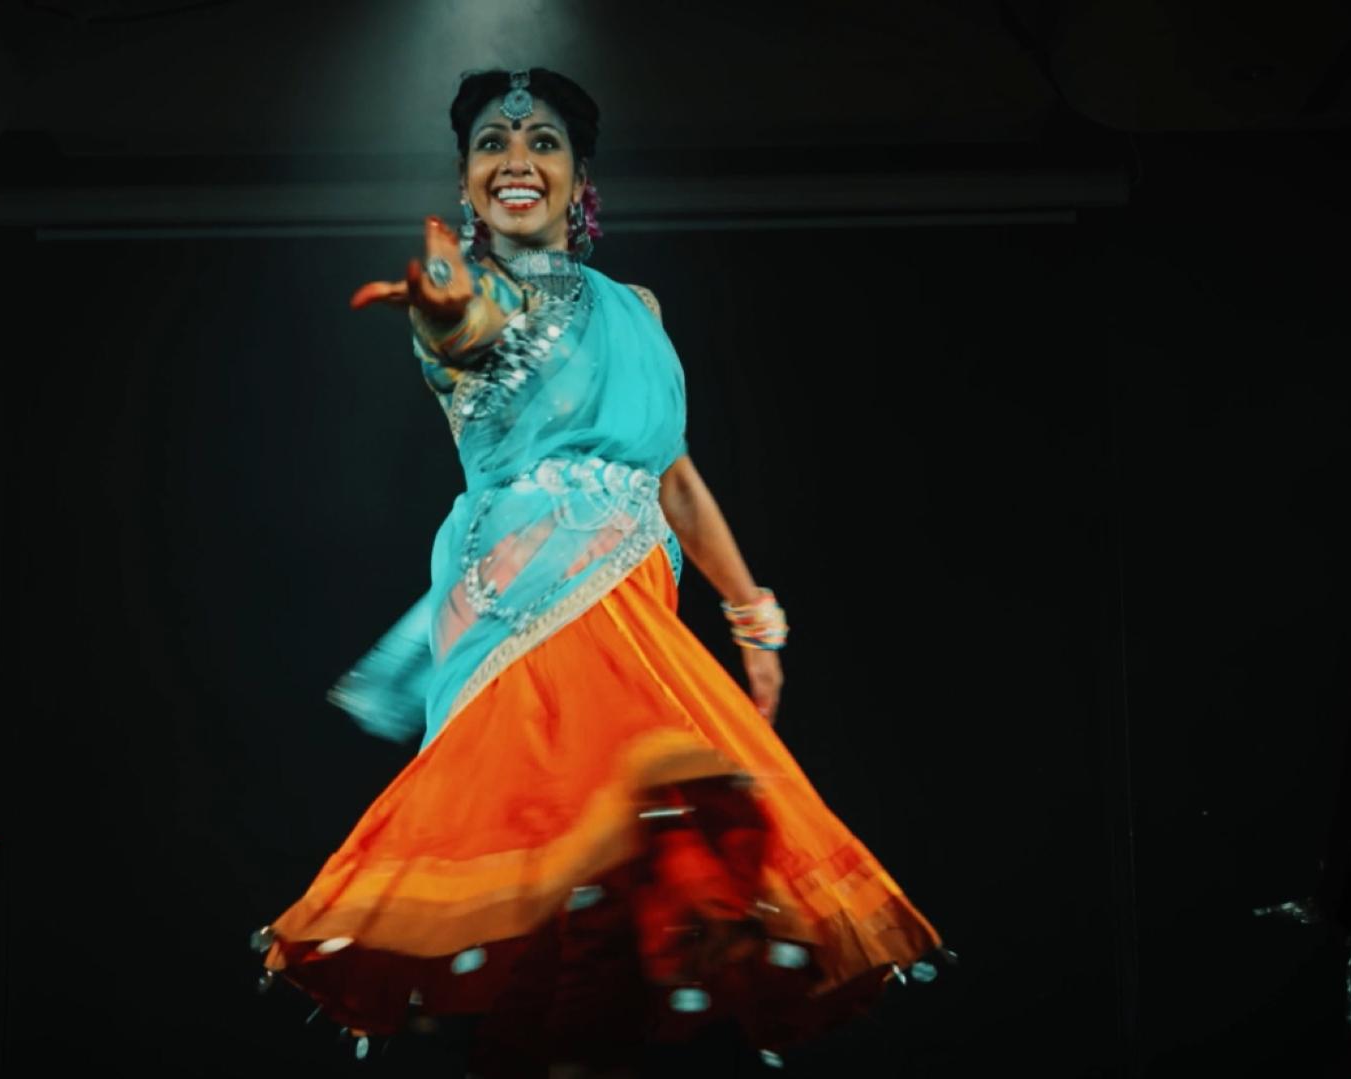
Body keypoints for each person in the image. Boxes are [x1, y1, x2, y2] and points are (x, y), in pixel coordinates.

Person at [255, 69, 942, 1078]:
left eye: (542, 140)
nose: (516, 158)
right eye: (492, 142)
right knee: (555, 899)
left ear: (581, 178)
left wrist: (754, 615)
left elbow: (677, 480)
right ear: (464, 180)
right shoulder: (460, 291)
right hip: (525, 615)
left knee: (635, 905)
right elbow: (468, 334)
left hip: (638, 617)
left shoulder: (639, 310)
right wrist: (443, 310)